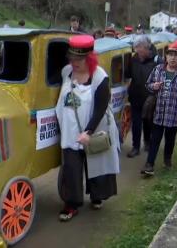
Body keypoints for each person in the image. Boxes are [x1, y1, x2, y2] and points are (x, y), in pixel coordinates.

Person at [55, 35, 120, 221]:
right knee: (71, 168)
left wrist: (88, 131)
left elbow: (100, 109)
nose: (74, 62)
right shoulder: (66, 72)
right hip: (70, 130)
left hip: (94, 127)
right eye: (72, 58)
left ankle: (97, 196)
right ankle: (72, 203)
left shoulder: (100, 78)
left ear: (89, 58)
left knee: (96, 164)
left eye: (79, 59)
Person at [141, 41, 177, 175]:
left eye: (176, 55)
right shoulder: (158, 69)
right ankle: (149, 164)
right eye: (170, 54)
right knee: (155, 139)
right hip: (158, 113)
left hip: (174, 114)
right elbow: (148, 84)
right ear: (166, 56)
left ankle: (167, 159)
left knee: (170, 139)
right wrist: (154, 86)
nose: (172, 58)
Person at [124, 35, 160, 157]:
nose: (137, 51)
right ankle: (135, 146)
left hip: (150, 98)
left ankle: (148, 142)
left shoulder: (156, 60)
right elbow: (128, 74)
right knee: (136, 123)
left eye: (139, 48)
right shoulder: (134, 59)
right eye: (136, 48)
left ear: (146, 48)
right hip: (136, 96)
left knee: (148, 122)